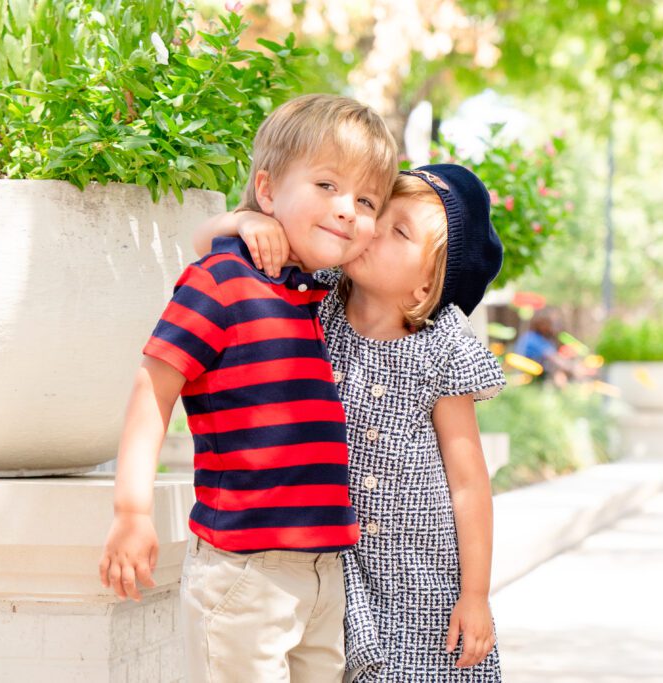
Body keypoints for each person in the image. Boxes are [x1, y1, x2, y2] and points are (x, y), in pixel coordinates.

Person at [98, 93, 398, 683]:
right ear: (267, 191)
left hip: (322, 571)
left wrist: (238, 221)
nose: (346, 210)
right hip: (245, 570)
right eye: (327, 185)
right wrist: (132, 510)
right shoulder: (223, 280)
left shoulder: (315, 293)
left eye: (365, 200)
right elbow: (152, 388)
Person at [202, 164, 506, 681]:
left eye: (400, 232)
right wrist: (244, 223)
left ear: (428, 283)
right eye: (375, 213)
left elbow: (469, 483)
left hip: (421, 576)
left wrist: (474, 595)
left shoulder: (439, 349)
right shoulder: (310, 298)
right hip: (332, 563)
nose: (371, 230)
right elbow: (209, 248)